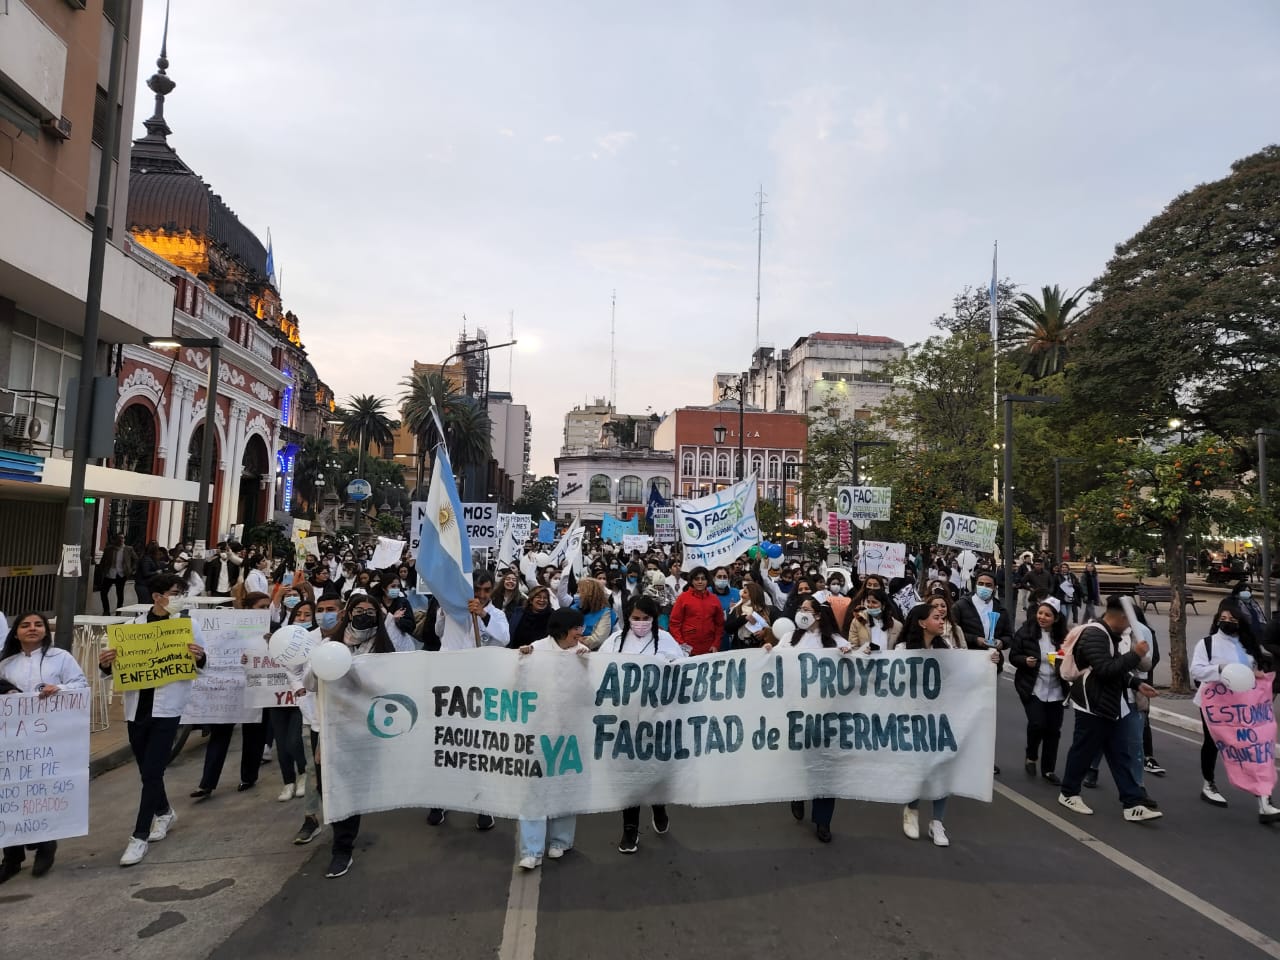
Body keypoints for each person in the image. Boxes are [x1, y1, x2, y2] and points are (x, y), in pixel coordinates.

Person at [98, 573, 207, 866]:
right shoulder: (131, 629)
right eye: (175, 592)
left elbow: (203, 665)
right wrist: (106, 664)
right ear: (157, 597)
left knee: (153, 771)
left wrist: (199, 658)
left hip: (167, 710)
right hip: (137, 708)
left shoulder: (188, 627)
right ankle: (165, 812)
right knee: (147, 770)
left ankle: (139, 836)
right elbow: (112, 670)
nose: (179, 598)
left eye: (182, 592)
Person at [307, 592, 399, 878]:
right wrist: (323, 665)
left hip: (363, 729)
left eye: (371, 612)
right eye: (359, 610)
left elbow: (389, 686)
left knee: (349, 788)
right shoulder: (329, 644)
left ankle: (342, 849)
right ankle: (341, 832)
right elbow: (310, 682)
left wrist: (356, 676)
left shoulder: (383, 647)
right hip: (330, 729)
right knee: (327, 788)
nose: (364, 615)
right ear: (348, 613)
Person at [898, 602, 1000, 846]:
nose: (941, 621)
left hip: (943, 719)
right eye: (936, 617)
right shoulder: (902, 649)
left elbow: (965, 673)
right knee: (920, 771)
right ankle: (911, 810)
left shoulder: (946, 648)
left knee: (943, 769)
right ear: (922, 622)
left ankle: (938, 822)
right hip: (913, 720)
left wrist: (990, 659)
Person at [0, 612, 89, 882]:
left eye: (38, 624)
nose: (32, 629)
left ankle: (46, 846)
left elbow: (80, 685)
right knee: (10, 797)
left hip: (50, 742)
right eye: (25, 625)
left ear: (45, 630)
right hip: (13, 744)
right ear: (15, 633)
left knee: (43, 793)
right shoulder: (5, 664)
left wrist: (59, 689)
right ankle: (12, 857)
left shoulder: (60, 658)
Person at [1057, 596, 1162, 822]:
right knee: (1083, 750)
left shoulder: (1108, 634)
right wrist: (1136, 655)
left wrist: (1136, 684)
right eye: (1129, 623)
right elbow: (1105, 669)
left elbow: (1113, 669)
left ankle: (1132, 802)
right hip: (1092, 704)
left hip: (1109, 704)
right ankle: (1068, 793)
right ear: (1122, 617)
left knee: (1119, 754)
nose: (1129, 629)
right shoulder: (1095, 634)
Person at [762, 598, 853, 843]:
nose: (802, 613)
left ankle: (823, 821)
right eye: (800, 609)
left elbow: (853, 664)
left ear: (819, 615)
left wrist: (849, 654)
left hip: (826, 715)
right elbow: (775, 665)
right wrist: (769, 653)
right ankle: (798, 794)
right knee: (800, 760)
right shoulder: (789, 638)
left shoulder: (836, 641)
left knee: (825, 767)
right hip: (795, 712)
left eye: (807, 610)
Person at [599, 596, 684, 853]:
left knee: (654, 770)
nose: (640, 623)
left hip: (656, 719)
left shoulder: (666, 640)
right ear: (627, 618)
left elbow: (681, 670)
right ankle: (630, 829)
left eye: (646, 618)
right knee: (629, 775)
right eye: (635, 618)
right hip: (624, 720)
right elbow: (599, 671)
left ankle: (659, 807)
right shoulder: (614, 642)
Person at [1190, 599, 1280, 822]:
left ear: (1241, 622)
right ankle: (1208, 783)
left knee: (1256, 747)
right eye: (1223, 619)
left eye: (1232, 619)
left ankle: (1264, 799)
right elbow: (1197, 671)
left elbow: (1253, 668)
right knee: (1213, 743)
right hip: (1216, 706)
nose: (1227, 622)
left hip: (1245, 706)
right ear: (1216, 620)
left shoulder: (1247, 644)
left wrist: (1259, 674)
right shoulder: (1207, 644)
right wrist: (1221, 669)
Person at [514, 608, 590, 869]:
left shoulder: (582, 653)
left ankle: (560, 841)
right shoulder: (537, 649)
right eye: (576, 628)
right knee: (533, 789)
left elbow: (590, 693)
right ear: (561, 629)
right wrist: (522, 660)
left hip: (570, 731)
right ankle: (531, 850)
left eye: (581, 628)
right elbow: (520, 685)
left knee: (565, 784)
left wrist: (585, 663)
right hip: (539, 730)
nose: (580, 633)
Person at [191, 592, 271, 802]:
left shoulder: (271, 629)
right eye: (261, 607)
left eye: (267, 607)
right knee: (220, 734)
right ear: (247, 607)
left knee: (254, 734)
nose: (265, 611)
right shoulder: (227, 626)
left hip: (255, 688)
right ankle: (206, 784)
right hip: (226, 690)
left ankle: (249, 777)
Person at [1009, 601, 1070, 784]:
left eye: (1047, 615)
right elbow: (1013, 656)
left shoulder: (1064, 637)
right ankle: (1031, 755)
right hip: (1032, 686)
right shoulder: (1026, 632)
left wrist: (1063, 662)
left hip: (1057, 689)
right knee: (1037, 724)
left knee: (1053, 730)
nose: (1042, 617)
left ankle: (1048, 769)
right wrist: (1024, 660)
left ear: (1056, 618)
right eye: (1040, 613)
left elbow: (1074, 658)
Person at [433, 570, 511, 653]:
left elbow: (505, 639)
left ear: (492, 590)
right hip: (449, 660)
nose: (481, 595)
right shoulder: (455, 607)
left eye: (487, 590)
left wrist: (484, 615)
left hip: (476, 663)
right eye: (477, 589)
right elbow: (439, 631)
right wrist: (443, 609)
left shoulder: (497, 614)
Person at [668, 567, 725, 656]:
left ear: (707, 581)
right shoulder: (682, 598)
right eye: (697, 579)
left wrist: (716, 644)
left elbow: (719, 625)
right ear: (692, 581)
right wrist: (681, 644)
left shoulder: (714, 599)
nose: (700, 582)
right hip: (688, 649)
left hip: (709, 649)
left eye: (703, 579)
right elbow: (674, 623)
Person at [847, 588, 902, 652]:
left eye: (874, 602)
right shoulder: (858, 622)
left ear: (883, 606)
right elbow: (853, 646)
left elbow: (899, 650)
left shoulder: (897, 626)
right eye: (868, 601)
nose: (870, 605)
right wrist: (862, 650)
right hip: (866, 660)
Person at [95, 534, 136, 615]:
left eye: (123, 538)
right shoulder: (109, 549)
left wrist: (131, 569)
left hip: (121, 574)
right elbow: (103, 561)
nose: (121, 540)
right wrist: (102, 570)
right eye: (119, 538)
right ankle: (106, 610)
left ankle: (118, 611)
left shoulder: (128, 549)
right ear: (115, 540)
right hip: (110, 574)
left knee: (119, 594)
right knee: (103, 592)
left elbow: (135, 559)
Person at [725, 582, 773, 648]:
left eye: (745, 592)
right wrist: (744, 618)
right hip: (739, 649)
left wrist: (765, 633)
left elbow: (775, 630)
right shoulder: (737, 609)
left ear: (753, 595)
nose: (741, 595)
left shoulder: (767, 610)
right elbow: (728, 628)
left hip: (760, 651)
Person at [709, 566, 740, 651]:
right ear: (713, 578)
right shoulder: (707, 593)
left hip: (730, 636)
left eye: (725, 577)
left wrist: (735, 610)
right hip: (712, 637)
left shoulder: (736, 593)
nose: (722, 579)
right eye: (719, 577)